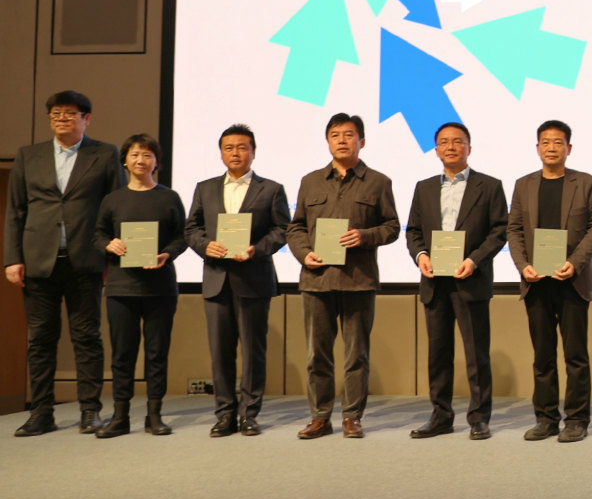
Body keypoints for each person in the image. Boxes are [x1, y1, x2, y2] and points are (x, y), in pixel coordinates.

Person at [5, 91, 123, 436]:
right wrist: (13, 258)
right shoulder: (29, 156)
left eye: (69, 113)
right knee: (40, 339)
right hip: (38, 261)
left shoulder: (104, 154)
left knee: (87, 337)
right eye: (55, 114)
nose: (61, 119)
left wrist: (112, 257)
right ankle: (41, 412)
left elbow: (115, 207)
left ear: (86, 118)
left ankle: (90, 410)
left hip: (85, 259)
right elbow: (16, 211)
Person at [285, 112, 400, 439]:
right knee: (317, 354)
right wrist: (304, 253)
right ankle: (320, 417)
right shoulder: (310, 181)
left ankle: (352, 416)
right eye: (335, 135)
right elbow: (295, 227)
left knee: (356, 354)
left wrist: (364, 236)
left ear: (361, 141)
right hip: (316, 280)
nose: (342, 140)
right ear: (327, 141)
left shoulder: (378, 182)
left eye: (349, 135)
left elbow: (392, 227)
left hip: (358, 280)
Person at [183, 123, 291, 436]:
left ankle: (249, 414)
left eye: (242, 147)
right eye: (229, 148)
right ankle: (224, 414)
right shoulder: (205, 188)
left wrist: (257, 249)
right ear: (221, 153)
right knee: (220, 352)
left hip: (254, 278)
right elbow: (191, 229)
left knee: (254, 352)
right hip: (217, 279)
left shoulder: (271, 189)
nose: (235, 153)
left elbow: (283, 230)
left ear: (253, 152)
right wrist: (206, 246)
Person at [404, 122, 507, 441]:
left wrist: (474, 259)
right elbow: (413, 231)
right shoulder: (423, 187)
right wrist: (421, 255)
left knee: (477, 354)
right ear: (436, 149)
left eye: (458, 141)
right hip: (434, 282)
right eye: (444, 142)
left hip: (470, 279)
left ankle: (479, 417)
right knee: (438, 354)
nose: (451, 147)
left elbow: (499, 231)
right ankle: (441, 416)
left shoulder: (489, 186)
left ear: (469, 148)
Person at [507, 119, 592, 443]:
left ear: (569, 148)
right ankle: (546, 419)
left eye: (558, 142)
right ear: (538, 148)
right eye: (546, 142)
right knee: (542, 356)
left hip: (572, 283)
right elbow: (514, 229)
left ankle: (576, 420)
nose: (552, 148)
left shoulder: (585, 182)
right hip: (536, 283)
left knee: (576, 356)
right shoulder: (523, 185)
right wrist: (523, 265)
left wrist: (575, 263)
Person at [92, 134, 187, 438]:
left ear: (156, 162)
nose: (140, 160)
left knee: (157, 353)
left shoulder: (169, 197)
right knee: (122, 354)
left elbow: (182, 236)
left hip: (160, 287)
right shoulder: (112, 200)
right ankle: (120, 416)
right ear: (125, 160)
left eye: (147, 155)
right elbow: (98, 235)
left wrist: (166, 254)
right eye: (134, 155)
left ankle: (154, 415)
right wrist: (109, 244)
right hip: (121, 288)